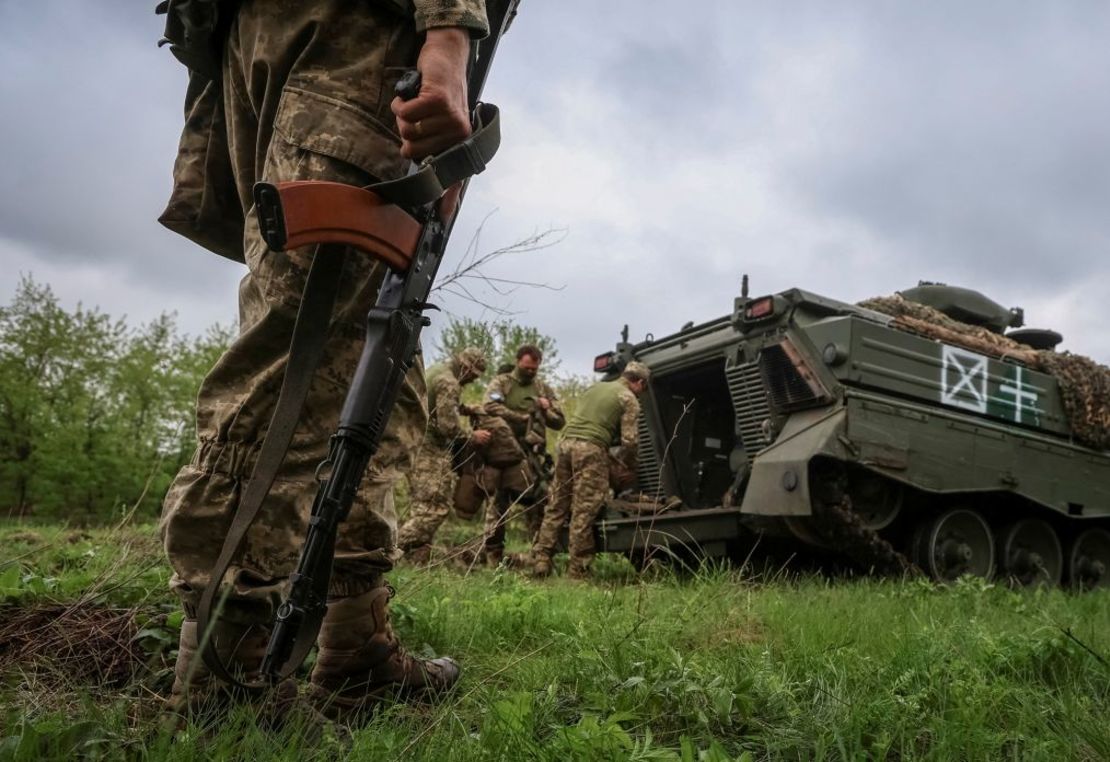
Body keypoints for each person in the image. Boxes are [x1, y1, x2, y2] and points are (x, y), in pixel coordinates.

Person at [156, 0, 489, 721]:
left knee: (374, 355)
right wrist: (450, 32)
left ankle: (353, 642)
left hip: (289, 39)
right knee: (303, 351)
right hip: (355, 40)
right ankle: (222, 672)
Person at [531, 362, 651, 579]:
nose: (642, 393)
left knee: (557, 503)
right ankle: (578, 570)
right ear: (639, 382)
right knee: (584, 509)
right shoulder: (628, 398)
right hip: (589, 448)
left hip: (565, 444)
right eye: (644, 388)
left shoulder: (595, 388)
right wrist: (629, 465)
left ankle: (542, 559)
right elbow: (630, 441)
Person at [396, 347, 491, 565]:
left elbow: (433, 403)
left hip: (412, 438)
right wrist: (472, 435)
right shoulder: (449, 382)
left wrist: (464, 409)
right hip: (427, 447)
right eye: (474, 376)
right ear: (467, 368)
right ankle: (388, 550)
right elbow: (448, 427)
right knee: (433, 509)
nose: (473, 381)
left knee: (423, 505)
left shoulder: (438, 370)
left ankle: (413, 561)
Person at [480, 345, 565, 565]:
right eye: (527, 367)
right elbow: (488, 405)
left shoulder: (542, 388)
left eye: (534, 369)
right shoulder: (503, 383)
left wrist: (546, 409)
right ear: (518, 361)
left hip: (531, 455)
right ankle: (492, 556)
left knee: (540, 501)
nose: (530, 372)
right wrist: (519, 418)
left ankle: (540, 555)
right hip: (503, 454)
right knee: (498, 505)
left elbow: (559, 421)